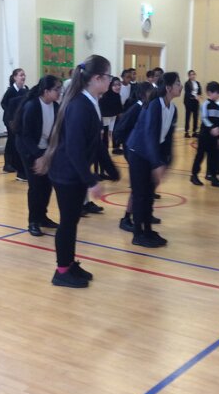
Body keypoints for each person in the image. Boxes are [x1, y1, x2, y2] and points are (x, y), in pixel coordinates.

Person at [37, 55, 119, 288]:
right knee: (67, 223)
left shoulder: (90, 101)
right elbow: (74, 149)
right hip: (66, 174)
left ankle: (69, 264)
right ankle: (62, 271)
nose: (111, 81)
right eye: (109, 76)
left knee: (71, 221)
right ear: (97, 78)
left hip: (72, 173)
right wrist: (91, 181)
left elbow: (95, 142)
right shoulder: (80, 106)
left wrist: (110, 168)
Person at [127, 72, 181, 248]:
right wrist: (156, 164)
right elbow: (149, 135)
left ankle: (148, 231)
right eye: (178, 83)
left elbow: (168, 138)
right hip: (138, 152)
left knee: (149, 194)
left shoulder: (172, 109)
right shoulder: (155, 105)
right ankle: (138, 234)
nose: (181, 86)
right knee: (140, 194)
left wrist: (167, 161)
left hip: (150, 154)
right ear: (168, 88)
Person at [14, 74, 61, 236]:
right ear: (46, 91)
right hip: (28, 149)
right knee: (36, 186)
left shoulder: (55, 107)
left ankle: (42, 217)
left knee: (47, 184)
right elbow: (25, 135)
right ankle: (33, 221)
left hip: (44, 149)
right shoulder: (32, 106)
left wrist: (49, 154)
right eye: (57, 89)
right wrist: (38, 156)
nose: (59, 92)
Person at [114, 81, 154, 232]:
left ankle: (144, 213)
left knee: (145, 185)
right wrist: (128, 145)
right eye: (151, 91)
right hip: (133, 151)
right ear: (144, 94)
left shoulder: (147, 107)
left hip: (141, 151)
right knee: (137, 187)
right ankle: (126, 218)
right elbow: (119, 130)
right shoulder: (136, 108)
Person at [190, 81, 219, 188]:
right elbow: (204, 118)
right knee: (200, 155)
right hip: (204, 136)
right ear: (209, 93)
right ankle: (194, 175)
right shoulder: (205, 104)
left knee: (213, 157)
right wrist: (212, 128)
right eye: (217, 93)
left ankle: (213, 178)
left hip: (213, 138)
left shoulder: (218, 107)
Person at [0, 68, 28, 178]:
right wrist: (10, 114)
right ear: (15, 77)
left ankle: (16, 164)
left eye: (24, 75)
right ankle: (8, 164)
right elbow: (3, 103)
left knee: (16, 141)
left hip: (19, 120)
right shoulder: (11, 90)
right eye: (21, 75)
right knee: (11, 141)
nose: (23, 77)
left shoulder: (26, 90)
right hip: (10, 120)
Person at [99, 75, 123, 161]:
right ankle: (104, 151)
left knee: (115, 132)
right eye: (115, 85)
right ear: (110, 85)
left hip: (113, 116)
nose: (117, 87)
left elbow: (119, 108)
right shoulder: (105, 96)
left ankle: (116, 148)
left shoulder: (117, 95)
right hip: (105, 117)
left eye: (119, 85)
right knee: (105, 134)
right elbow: (101, 109)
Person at [183, 70, 202, 138]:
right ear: (189, 76)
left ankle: (194, 132)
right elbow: (187, 93)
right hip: (189, 101)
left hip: (196, 102)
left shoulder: (198, 83)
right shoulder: (187, 83)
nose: (193, 76)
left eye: (194, 74)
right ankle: (186, 132)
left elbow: (200, 92)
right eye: (191, 74)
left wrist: (199, 96)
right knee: (188, 117)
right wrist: (194, 97)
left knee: (195, 117)